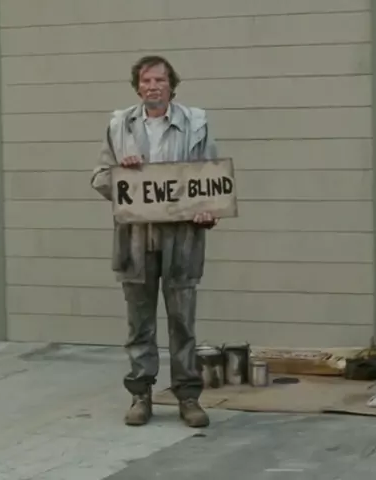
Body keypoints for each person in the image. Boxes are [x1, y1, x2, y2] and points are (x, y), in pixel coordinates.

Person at [90, 55, 218, 428]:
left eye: (160, 80)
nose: (153, 86)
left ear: (171, 85)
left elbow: (210, 181)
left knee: (183, 323)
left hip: (182, 240)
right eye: (146, 80)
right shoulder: (120, 126)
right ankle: (140, 395)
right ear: (138, 86)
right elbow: (99, 177)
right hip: (135, 240)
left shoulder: (196, 124)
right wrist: (123, 174)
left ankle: (188, 397)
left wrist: (207, 211)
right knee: (140, 325)